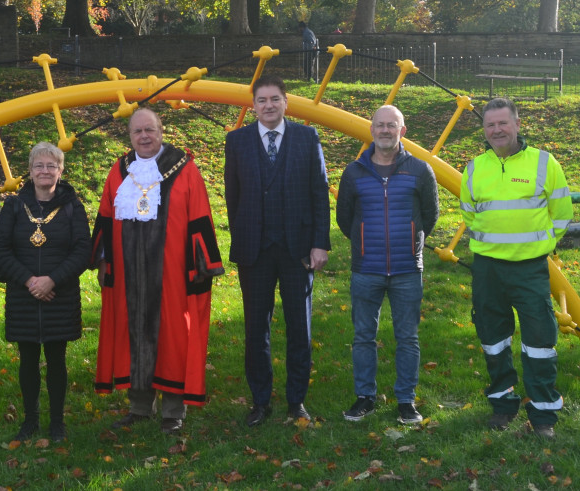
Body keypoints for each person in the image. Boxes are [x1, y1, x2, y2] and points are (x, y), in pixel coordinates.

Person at [93, 108, 224, 435]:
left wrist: (201, 265)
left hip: (172, 275)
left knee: (173, 336)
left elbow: (199, 216)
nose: (144, 137)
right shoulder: (120, 169)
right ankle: (139, 408)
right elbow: (106, 215)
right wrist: (102, 258)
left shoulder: (184, 168)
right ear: (130, 135)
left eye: (149, 130)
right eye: (137, 132)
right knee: (132, 331)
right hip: (128, 274)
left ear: (161, 131)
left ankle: (172, 411)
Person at [459, 98, 571, 439]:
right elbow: (468, 213)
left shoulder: (544, 163)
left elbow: (562, 213)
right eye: (490, 125)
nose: (497, 130)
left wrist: (539, 244)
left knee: (539, 339)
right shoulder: (475, 168)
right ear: (484, 130)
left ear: (517, 124)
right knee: (492, 338)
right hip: (489, 269)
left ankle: (543, 414)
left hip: (530, 268)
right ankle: (502, 404)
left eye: (503, 123)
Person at [224, 75, 331, 427]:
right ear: (252, 106)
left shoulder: (306, 137)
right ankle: (260, 401)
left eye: (274, 99)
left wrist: (319, 242)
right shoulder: (236, 141)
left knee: (299, 327)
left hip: (297, 249)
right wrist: (242, 237)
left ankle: (296, 401)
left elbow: (319, 192)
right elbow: (232, 197)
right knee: (257, 328)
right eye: (261, 100)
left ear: (286, 102)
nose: (268, 106)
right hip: (255, 250)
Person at [336, 105, 439, 424]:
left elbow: (430, 215)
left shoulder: (421, 170)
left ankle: (406, 401)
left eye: (391, 125)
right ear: (371, 130)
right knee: (364, 335)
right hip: (366, 269)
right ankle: (365, 396)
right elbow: (343, 218)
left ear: (402, 131)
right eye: (379, 125)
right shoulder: (353, 172)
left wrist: (411, 242)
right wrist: (363, 240)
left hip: (408, 269)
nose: (384, 130)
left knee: (407, 337)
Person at [0, 142, 91, 442]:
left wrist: (52, 280)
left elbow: (82, 250)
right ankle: (30, 420)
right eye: (38, 166)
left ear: (61, 170)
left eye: (51, 166)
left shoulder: (73, 207)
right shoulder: (13, 206)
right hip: (23, 294)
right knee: (28, 358)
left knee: (57, 359)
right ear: (30, 171)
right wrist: (30, 281)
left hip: (60, 294)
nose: (45, 171)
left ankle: (57, 422)